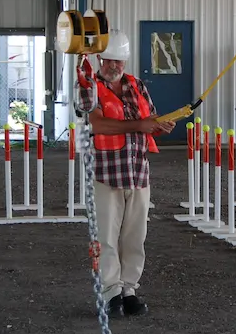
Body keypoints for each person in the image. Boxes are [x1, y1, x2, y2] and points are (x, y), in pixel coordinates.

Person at [74, 31, 175, 318]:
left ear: (125, 61)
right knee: (106, 236)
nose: (114, 66)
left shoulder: (137, 85)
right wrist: (139, 126)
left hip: (137, 171)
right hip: (106, 172)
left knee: (135, 236)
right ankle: (111, 292)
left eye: (119, 61)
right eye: (109, 60)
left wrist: (159, 126)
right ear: (99, 58)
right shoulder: (87, 86)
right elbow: (95, 124)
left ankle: (129, 289)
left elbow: (149, 120)